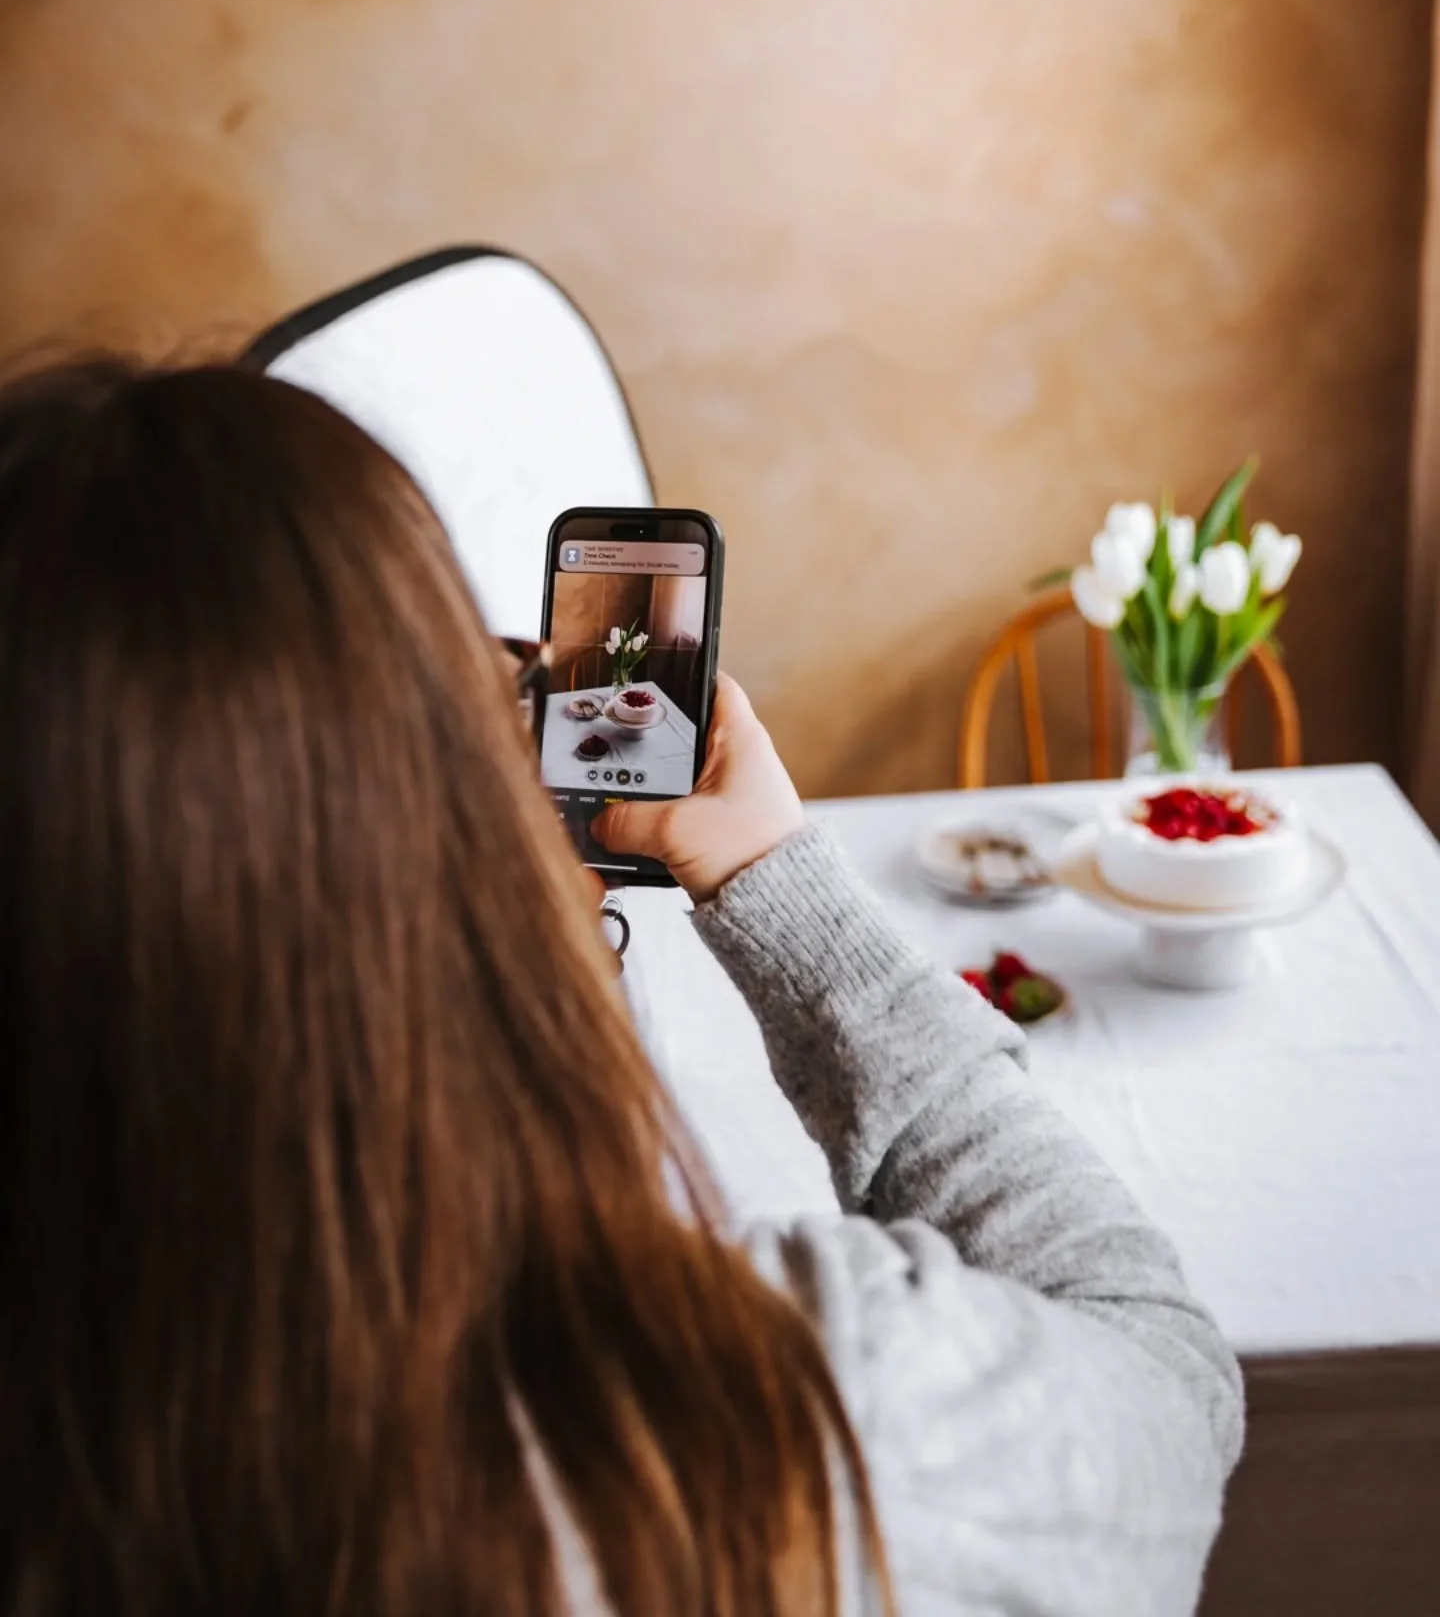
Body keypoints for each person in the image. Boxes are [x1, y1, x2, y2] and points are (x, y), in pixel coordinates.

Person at [0, 357, 1242, 1617]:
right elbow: (1162, 1388)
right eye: (488, 683)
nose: (525, 704)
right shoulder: (767, 1403)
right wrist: (776, 886)